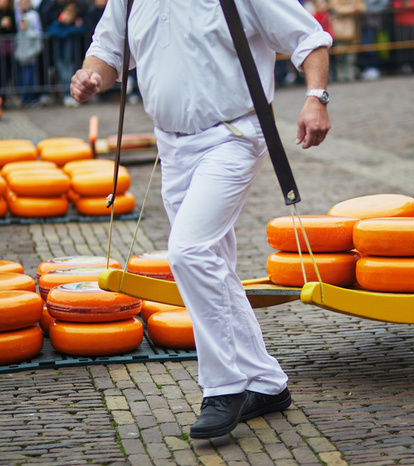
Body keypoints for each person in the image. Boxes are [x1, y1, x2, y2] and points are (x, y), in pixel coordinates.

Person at [70, 0, 332, 439]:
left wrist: (315, 98)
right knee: (213, 266)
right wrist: (92, 75)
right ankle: (266, 383)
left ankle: (224, 385)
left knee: (189, 252)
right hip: (171, 147)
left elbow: (309, 38)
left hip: (234, 136)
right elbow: (109, 51)